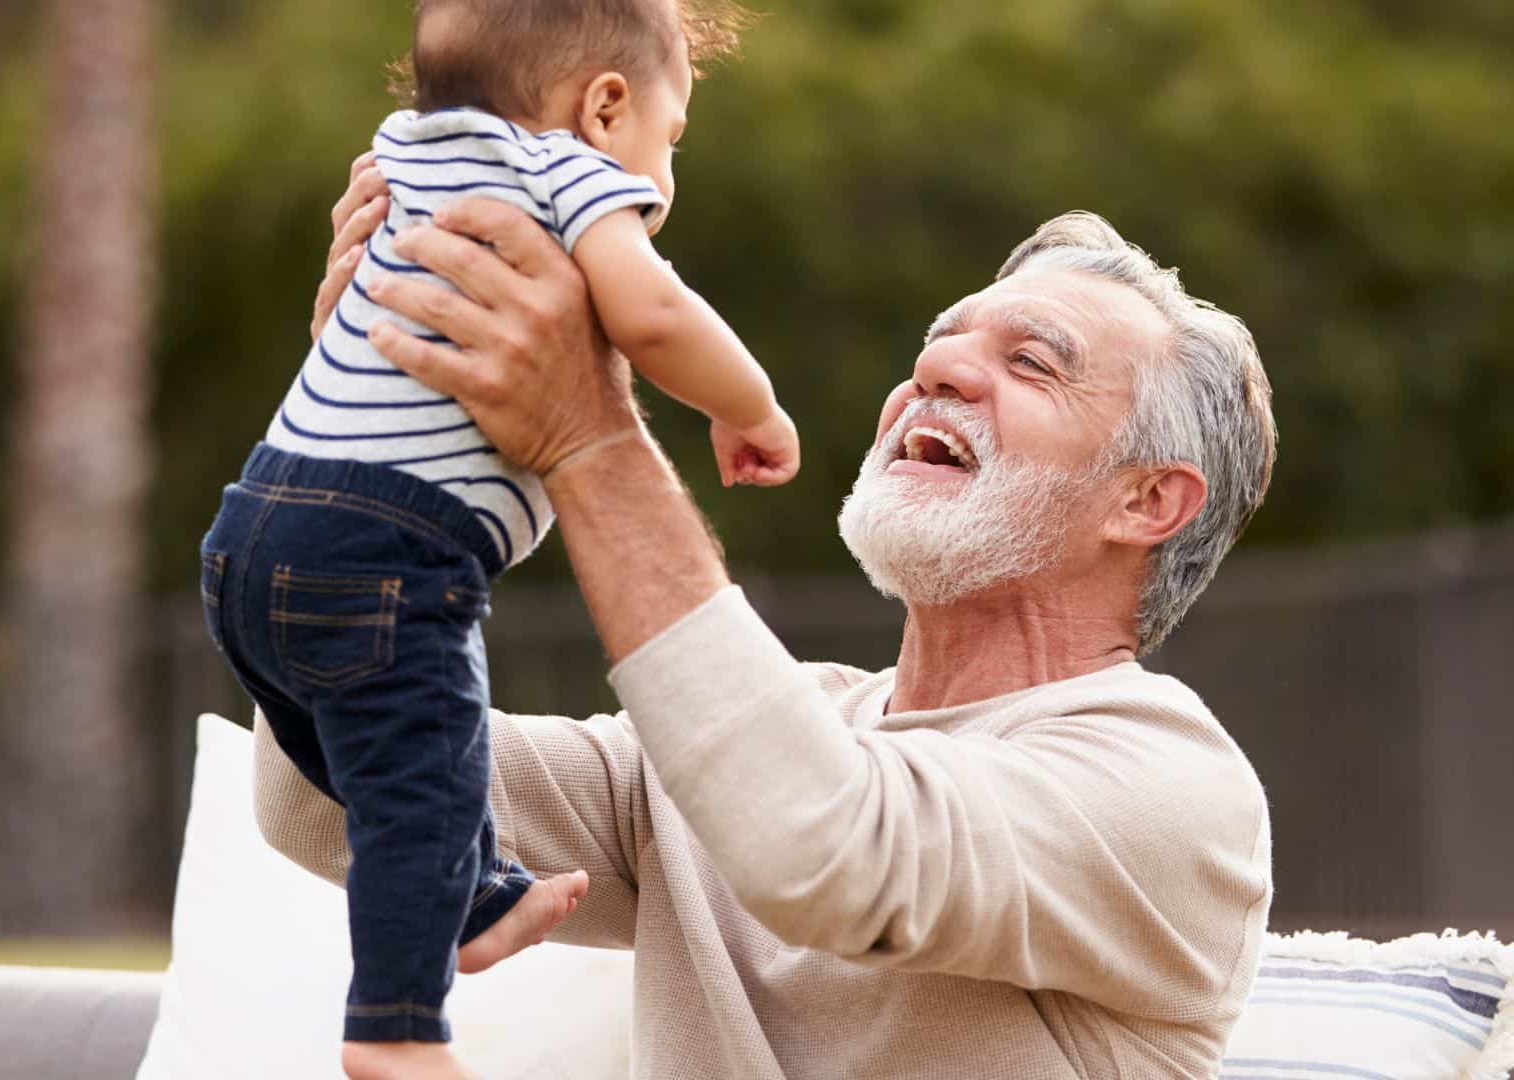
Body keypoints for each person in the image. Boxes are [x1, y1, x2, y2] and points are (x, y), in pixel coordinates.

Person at [256, 174, 1279, 1076]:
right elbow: (324, 801)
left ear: (1146, 502)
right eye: (939, 346)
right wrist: (363, 436)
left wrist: (587, 429)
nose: (941, 373)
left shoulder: (1174, 784)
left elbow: (828, 851)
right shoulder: (772, 739)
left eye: (1035, 363)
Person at [199, 1, 788, 1077]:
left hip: (250, 535)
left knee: (402, 767)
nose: (666, 170)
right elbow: (653, 317)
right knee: (419, 781)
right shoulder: (569, 176)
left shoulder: (403, 155)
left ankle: (473, 896)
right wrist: (747, 406)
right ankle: (397, 1034)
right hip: (386, 553)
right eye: (674, 138)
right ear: (606, 108)